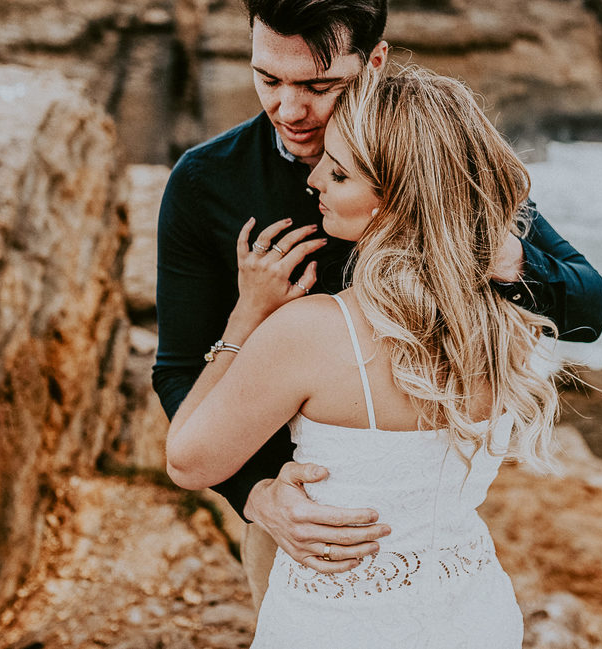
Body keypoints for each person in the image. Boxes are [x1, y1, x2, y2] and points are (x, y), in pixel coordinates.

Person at [151, 0, 602, 606]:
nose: (288, 109)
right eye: (267, 78)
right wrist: (259, 496)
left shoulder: (436, 161)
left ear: (375, 61)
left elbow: (589, 307)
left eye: (319, 84)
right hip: (299, 515)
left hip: (432, 513)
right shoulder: (206, 183)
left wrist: (504, 257)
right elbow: (178, 369)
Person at [166, 63, 567, 646]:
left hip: (340, 626)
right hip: (473, 612)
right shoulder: (504, 326)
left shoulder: (308, 333)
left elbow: (187, 460)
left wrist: (245, 317)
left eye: (341, 172)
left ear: (393, 198)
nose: (314, 181)